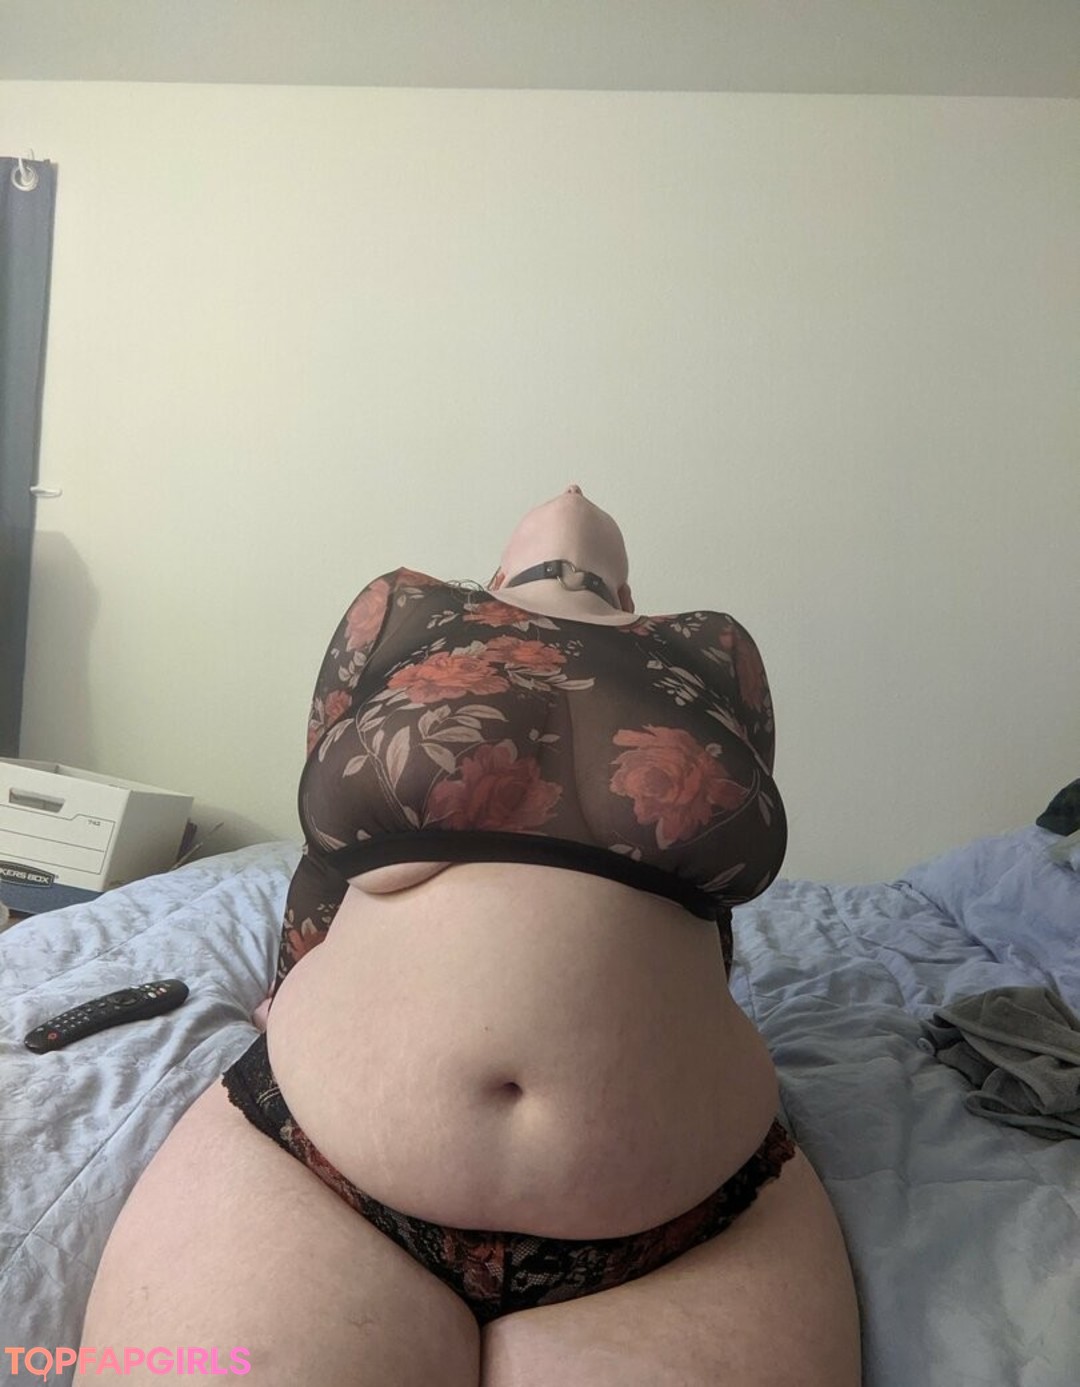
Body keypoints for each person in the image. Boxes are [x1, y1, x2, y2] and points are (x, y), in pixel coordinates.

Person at [82, 485, 861, 1385]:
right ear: (493, 578)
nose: (572, 493)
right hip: (318, 1168)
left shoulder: (714, 647)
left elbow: (710, 907)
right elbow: (327, 851)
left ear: (630, 594)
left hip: (694, 1213)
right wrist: (293, 976)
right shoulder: (404, 606)